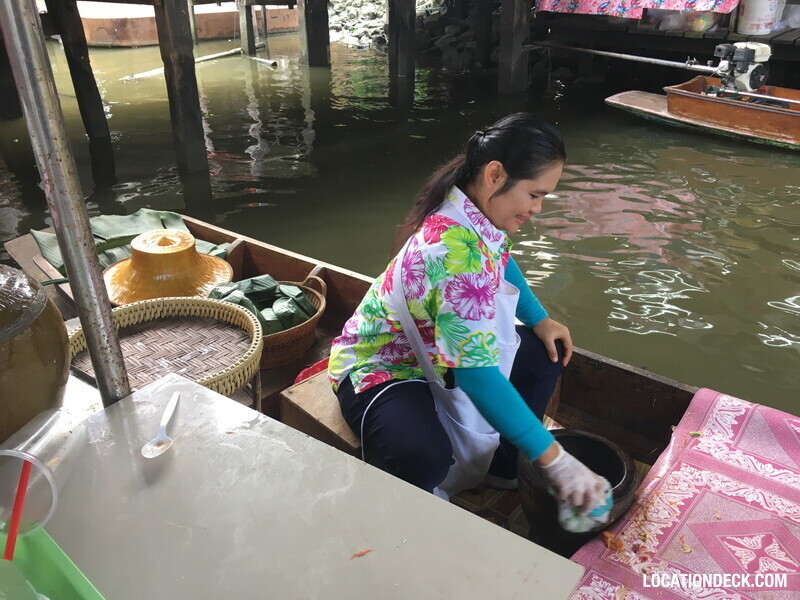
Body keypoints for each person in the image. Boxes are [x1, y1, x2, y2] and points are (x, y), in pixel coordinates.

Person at [328, 113, 608, 514]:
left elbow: (500, 256)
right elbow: (477, 376)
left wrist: (540, 319)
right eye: (534, 194)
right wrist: (556, 459)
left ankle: (503, 464)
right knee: (422, 456)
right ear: (495, 174)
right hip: (385, 365)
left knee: (546, 356)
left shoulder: (474, 209)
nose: (539, 208)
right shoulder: (451, 254)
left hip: (438, 352)